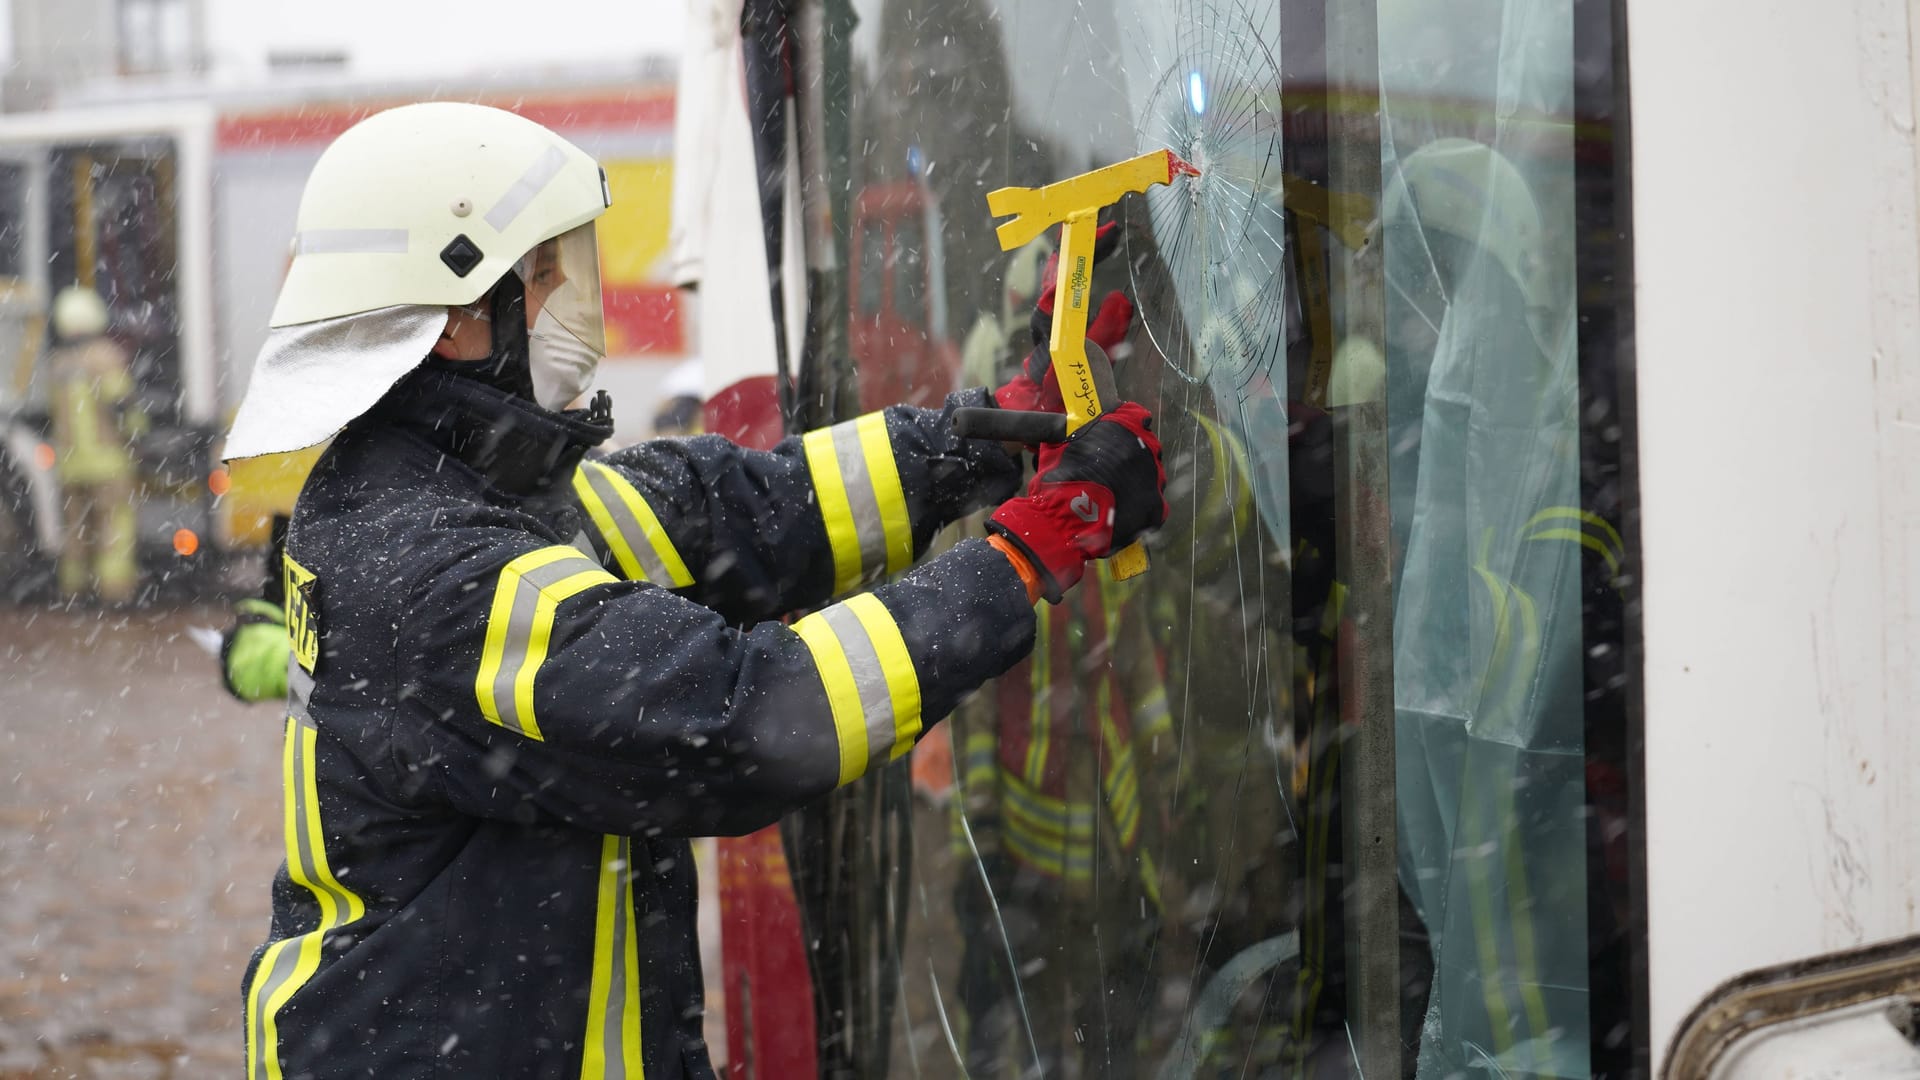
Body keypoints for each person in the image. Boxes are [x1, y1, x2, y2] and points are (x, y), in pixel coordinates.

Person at [223, 102, 1166, 1078]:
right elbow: (749, 718)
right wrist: (1018, 561)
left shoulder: (455, 488)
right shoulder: (435, 569)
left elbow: (743, 511)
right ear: (459, 320)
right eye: (544, 273)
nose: (571, 296)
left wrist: (992, 434)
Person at [46, 285, 143, 605]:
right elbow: (121, 405)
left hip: (70, 465)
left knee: (76, 531)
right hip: (107, 463)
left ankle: (74, 592)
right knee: (114, 526)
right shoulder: (105, 356)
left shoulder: (57, 364)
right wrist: (139, 433)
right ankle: (114, 593)